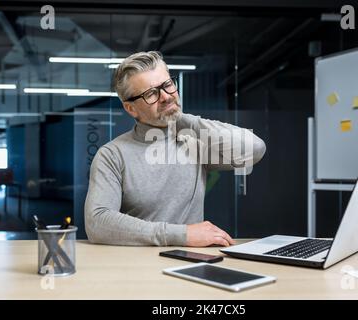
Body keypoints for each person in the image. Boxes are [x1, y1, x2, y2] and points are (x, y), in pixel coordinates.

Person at [84, 51, 266, 247]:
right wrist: (182, 234)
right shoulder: (112, 155)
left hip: (191, 262)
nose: (165, 96)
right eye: (151, 93)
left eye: (168, 85)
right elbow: (98, 223)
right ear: (131, 109)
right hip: (138, 265)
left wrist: (181, 119)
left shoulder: (195, 143)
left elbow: (254, 150)